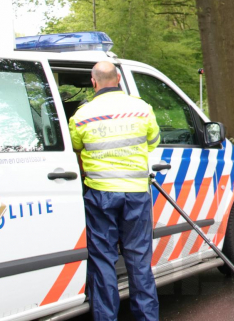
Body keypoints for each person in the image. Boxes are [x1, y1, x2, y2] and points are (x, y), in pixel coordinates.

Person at [69, 61, 161, 321]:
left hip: (100, 195)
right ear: (119, 78)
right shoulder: (142, 109)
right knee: (139, 262)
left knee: (103, 261)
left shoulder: (81, 115)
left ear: (93, 81)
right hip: (135, 194)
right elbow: (152, 142)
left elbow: (76, 146)